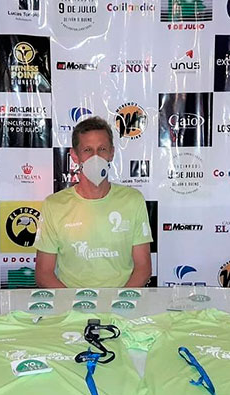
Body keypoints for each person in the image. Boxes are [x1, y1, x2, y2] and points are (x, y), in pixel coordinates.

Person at [34, 116, 152, 288]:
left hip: (121, 301)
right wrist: (75, 302)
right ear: (75, 156)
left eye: (102, 149)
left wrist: (120, 301)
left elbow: (143, 268)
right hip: (72, 302)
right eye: (87, 150)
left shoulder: (133, 200)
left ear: (111, 153)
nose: (95, 157)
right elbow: (43, 273)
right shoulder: (54, 205)